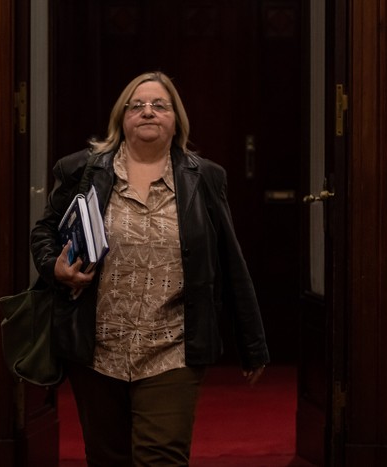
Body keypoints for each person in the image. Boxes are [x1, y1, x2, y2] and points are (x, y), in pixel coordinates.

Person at [30, 71, 269, 466]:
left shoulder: (204, 178)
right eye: (137, 105)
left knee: (162, 457)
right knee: (108, 458)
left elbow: (231, 261)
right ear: (121, 118)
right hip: (97, 349)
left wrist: (253, 344)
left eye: (160, 105)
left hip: (172, 349)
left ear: (176, 120)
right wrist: (55, 268)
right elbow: (44, 233)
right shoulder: (83, 171)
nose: (148, 112)